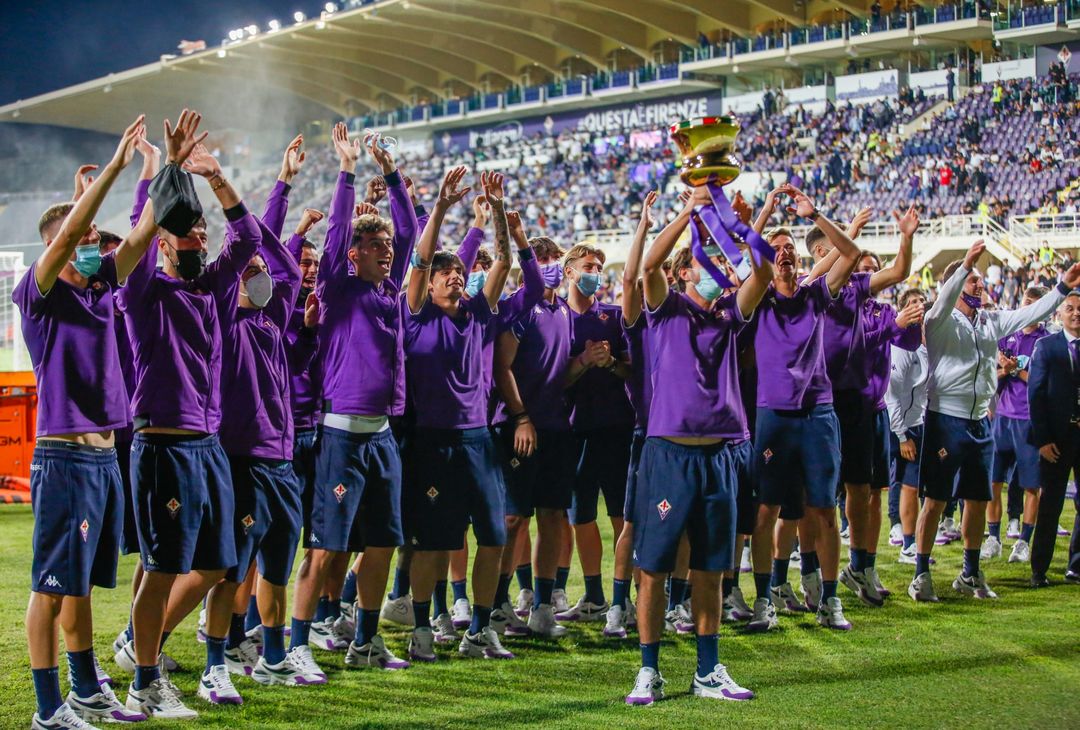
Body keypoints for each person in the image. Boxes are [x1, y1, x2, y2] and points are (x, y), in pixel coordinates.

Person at [113, 110, 265, 721]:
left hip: (208, 447)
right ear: (164, 242)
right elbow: (133, 241)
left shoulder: (213, 288)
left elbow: (249, 241)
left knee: (216, 563)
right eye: (185, 231)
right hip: (163, 446)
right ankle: (143, 681)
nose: (198, 237)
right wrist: (168, 169)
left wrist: (218, 179)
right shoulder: (145, 292)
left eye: (202, 230)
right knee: (162, 568)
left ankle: (143, 654)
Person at [18, 117, 156, 730]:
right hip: (65, 456)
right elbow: (74, 228)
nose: (94, 245)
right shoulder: (39, 291)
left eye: (97, 240)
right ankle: (49, 711)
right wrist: (113, 171)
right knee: (50, 587)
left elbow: (148, 232)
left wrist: (162, 167)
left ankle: (84, 691)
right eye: (81, 238)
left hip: (104, 458)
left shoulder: (101, 290)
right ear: (56, 244)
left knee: (78, 587)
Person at [625, 186, 770, 706]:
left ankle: (709, 670)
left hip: (721, 455)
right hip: (669, 453)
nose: (714, 273)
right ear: (686, 272)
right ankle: (649, 670)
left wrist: (740, 228)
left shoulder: (731, 314)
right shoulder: (665, 309)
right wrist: (689, 211)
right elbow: (648, 266)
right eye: (699, 266)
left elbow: (764, 274)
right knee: (655, 569)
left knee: (711, 568)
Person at [288, 122, 417, 674]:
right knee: (325, 550)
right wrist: (346, 170)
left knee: (383, 542)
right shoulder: (337, 288)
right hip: (340, 434)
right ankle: (294, 646)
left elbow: (410, 227)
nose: (388, 252)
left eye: (388, 246)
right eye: (377, 246)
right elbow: (338, 231)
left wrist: (389, 172)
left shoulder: (389, 288)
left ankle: (366, 640)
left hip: (382, 435)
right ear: (354, 253)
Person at [402, 168, 543, 661]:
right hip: (433, 441)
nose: (457, 277)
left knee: (494, 537)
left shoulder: (479, 314)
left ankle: (479, 629)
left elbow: (503, 262)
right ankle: (423, 629)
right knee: (435, 543)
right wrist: (440, 208)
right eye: (448, 274)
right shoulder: (416, 315)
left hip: (478, 439)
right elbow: (420, 260)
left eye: (459, 273)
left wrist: (499, 211)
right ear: (430, 283)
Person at [910, 241, 1079, 602]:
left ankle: (970, 572)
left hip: (980, 422)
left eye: (980, 281)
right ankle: (921, 573)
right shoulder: (938, 320)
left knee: (976, 498)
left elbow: (1032, 310)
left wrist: (1062, 287)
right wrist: (963, 267)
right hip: (945, 417)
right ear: (955, 284)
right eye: (972, 281)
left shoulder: (990, 320)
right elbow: (942, 301)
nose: (979, 286)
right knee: (936, 500)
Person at [748, 186, 862, 632]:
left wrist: (816, 215)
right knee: (766, 512)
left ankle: (831, 600)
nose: (784, 255)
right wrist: (764, 214)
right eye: (776, 250)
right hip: (774, 413)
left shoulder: (815, 293)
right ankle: (763, 599)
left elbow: (849, 254)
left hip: (818, 413)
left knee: (825, 511)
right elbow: (745, 261)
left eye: (790, 248)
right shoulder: (760, 298)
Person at [803, 207, 916, 609]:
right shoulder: (810, 286)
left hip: (854, 401)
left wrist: (906, 236)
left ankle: (859, 567)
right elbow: (825, 271)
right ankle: (807, 571)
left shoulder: (858, 289)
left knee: (861, 488)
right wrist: (842, 229)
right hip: (816, 399)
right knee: (814, 496)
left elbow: (899, 272)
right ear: (820, 252)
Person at [492, 235, 577, 639]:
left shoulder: (563, 311)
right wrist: (521, 416)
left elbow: (560, 373)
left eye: (554, 257)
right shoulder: (523, 308)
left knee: (553, 515)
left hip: (557, 427)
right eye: (542, 257)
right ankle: (496, 604)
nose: (550, 264)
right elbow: (501, 365)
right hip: (519, 426)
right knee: (513, 518)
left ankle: (542, 607)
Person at [559, 242, 635, 622]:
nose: (596, 273)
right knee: (581, 517)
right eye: (589, 265)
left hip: (616, 427)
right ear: (569, 271)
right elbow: (555, 378)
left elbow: (631, 370)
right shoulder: (555, 317)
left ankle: (628, 596)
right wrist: (584, 361)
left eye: (600, 267)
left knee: (623, 515)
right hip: (573, 430)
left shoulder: (616, 317)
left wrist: (609, 365)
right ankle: (593, 597)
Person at [604, 190, 656, 639]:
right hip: (647, 432)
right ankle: (617, 606)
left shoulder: (687, 317)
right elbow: (629, 280)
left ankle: (672, 602)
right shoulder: (638, 322)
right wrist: (643, 224)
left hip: (681, 435)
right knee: (633, 523)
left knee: (680, 525)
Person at [983, 286, 1050, 564]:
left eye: (1037, 303)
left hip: (1029, 420)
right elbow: (990, 377)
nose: (1030, 307)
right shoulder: (1005, 336)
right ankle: (994, 538)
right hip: (1002, 418)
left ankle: (1023, 542)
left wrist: (1015, 370)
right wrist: (1001, 369)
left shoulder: (1046, 341)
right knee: (993, 482)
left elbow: (1043, 383)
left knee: (1032, 486)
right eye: (1027, 301)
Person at [1028, 291, 1080, 587]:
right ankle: (1039, 569)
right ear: (1059, 314)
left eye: (1079, 309)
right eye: (1069, 308)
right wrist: (1043, 440)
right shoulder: (1046, 347)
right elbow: (1035, 396)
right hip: (1056, 440)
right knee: (1051, 505)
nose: (1076, 313)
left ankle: (1076, 566)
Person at [885, 289, 930, 565]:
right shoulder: (900, 346)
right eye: (911, 302)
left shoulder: (926, 344)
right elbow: (892, 395)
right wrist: (902, 436)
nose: (918, 306)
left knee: (915, 485)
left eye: (921, 301)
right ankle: (907, 544)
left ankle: (912, 541)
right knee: (907, 486)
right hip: (901, 427)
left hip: (919, 423)